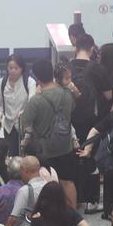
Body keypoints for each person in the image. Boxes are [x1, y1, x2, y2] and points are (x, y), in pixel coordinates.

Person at [21, 60, 77, 207]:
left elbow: (25, 121)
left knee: (46, 183)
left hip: (45, 149)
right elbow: (72, 109)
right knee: (68, 181)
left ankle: (51, 213)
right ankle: (72, 216)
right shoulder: (66, 93)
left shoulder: (37, 100)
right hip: (66, 145)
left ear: (37, 78)